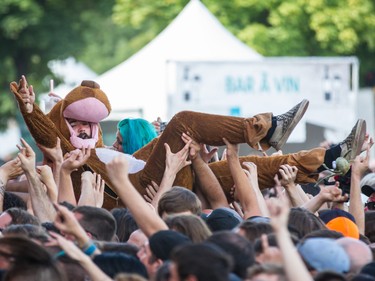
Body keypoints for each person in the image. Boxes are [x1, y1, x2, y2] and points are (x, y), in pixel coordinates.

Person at [11, 76, 367, 210]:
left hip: (158, 182)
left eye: (89, 123)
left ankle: (329, 159)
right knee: (185, 121)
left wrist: (165, 138)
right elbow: (49, 139)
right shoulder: (68, 158)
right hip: (135, 198)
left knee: (244, 168)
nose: (85, 130)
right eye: (74, 123)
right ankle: (265, 128)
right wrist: (30, 109)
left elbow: (138, 159)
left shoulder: (106, 154)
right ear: (60, 126)